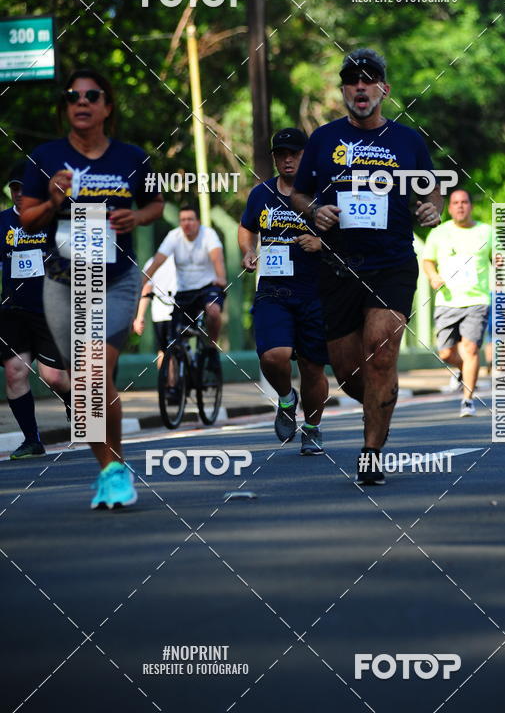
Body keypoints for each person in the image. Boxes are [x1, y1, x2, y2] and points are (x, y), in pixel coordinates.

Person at [291, 48, 442, 485]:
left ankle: (371, 453)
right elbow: (300, 194)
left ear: (383, 89)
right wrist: (315, 209)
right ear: (343, 91)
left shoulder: (408, 141)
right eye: (352, 81)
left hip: (391, 264)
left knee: (380, 353)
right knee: (350, 374)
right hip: (337, 267)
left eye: (369, 79)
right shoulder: (323, 139)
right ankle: (379, 401)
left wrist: (431, 211)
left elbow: (429, 194)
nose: (360, 87)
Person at [20, 68, 164, 508]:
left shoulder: (132, 157)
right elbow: (27, 217)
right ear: (66, 107)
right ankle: (109, 468)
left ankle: (116, 472)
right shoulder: (45, 157)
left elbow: (156, 204)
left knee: (94, 374)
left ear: (107, 106)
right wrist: (53, 203)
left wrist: (135, 218)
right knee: (83, 386)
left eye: (92, 95)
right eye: (73, 97)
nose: (81, 102)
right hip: (64, 285)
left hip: (117, 281)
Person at [238, 127, 329, 453]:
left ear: (307, 156)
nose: (288, 159)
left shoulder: (323, 191)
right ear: (275, 158)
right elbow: (247, 228)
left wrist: (321, 243)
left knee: (312, 367)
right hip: (273, 289)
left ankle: (313, 427)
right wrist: (248, 251)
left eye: (295, 153)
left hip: (315, 290)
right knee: (274, 356)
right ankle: (287, 399)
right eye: (281, 154)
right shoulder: (260, 194)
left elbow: (346, 234)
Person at [0, 168, 71, 458]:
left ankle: (74, 400)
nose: (19, 192)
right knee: (15, 372)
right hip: (12, 310)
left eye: (24, 187)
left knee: (53, 377)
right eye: (14, 188)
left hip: (48, 308)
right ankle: (32, 440)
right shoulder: (2, 222)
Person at [422, 188, 492, 417]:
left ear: (471, 205)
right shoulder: (439, 233)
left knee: (470, 348)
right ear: (450, 207)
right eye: (455, 202)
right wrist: (433, 276)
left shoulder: (487, 232)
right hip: (447, 301)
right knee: (445, 354)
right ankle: (465, 371)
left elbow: (501, 258)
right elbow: (428, 260)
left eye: (464, 202)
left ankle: (467, 400)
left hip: (477, 299)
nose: (460, 206)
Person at [136, 204, 226, 368]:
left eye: (190, 219)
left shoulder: (208, 234)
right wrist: (141, 283)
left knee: (213, 311)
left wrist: (220, 277)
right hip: (184, 291)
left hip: (208, 287)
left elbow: (217, 257)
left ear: (198, 221)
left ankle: (212, 347)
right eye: (183, 220)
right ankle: (178, 378)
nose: (187, 223)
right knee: (175, 333)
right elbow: (157, 261)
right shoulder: (174, 236)